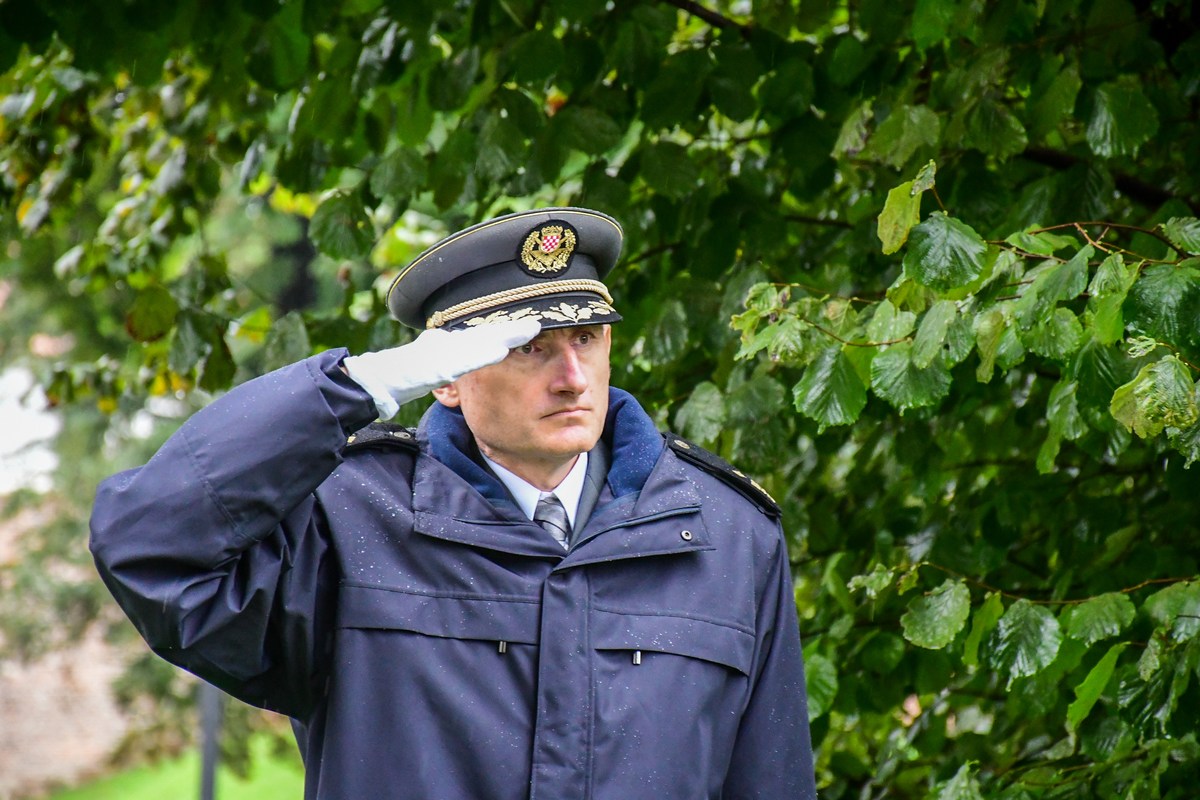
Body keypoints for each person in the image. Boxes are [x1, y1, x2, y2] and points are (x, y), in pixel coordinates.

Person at [90, 207, 816, 799]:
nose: (572, 377)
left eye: (588, 338)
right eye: (530, 347)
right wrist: (355, 389)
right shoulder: (348, 519)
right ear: (446, 378)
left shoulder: (726, 536)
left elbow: (771, 780)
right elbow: (148, 544)